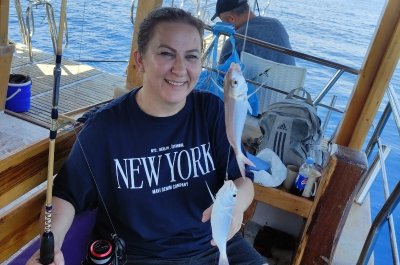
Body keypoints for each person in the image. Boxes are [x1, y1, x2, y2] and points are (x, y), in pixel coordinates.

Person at [27, 7, 267, 265]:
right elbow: (66, 197)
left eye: (192, 56)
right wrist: (49, 249)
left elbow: (243, 181)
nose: (180, 68)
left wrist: (236, 206)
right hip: (141, 256)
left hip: (215, 245)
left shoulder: (212, 112)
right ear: (140, 60)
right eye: (166, 53)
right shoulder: (104, 129)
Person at [212, 0, 295, 66]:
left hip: (253, 86)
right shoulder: (277, 24)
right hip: (289, 85)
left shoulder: (235, 40)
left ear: (231, 18)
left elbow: (220, 77)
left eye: (223, 21)